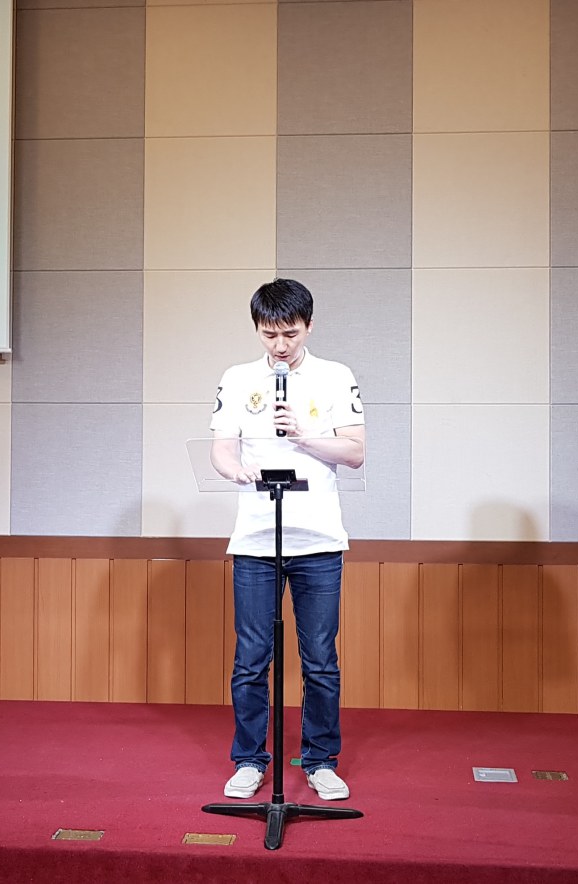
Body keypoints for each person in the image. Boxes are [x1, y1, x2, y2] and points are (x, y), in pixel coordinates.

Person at [207, 278, 365, 802]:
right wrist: (233, 469)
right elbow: (221, 447)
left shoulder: (336, 376)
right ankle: (250, 760)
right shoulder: (237, 378)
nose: (279, 345)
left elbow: (355, 452)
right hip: (256, 539)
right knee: (251, 657)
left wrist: (302, 434)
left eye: (290, 334)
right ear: (257, 329)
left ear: (309, 326)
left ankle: (320, 761)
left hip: (317, 539)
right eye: (269, 334)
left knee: (320, 659)